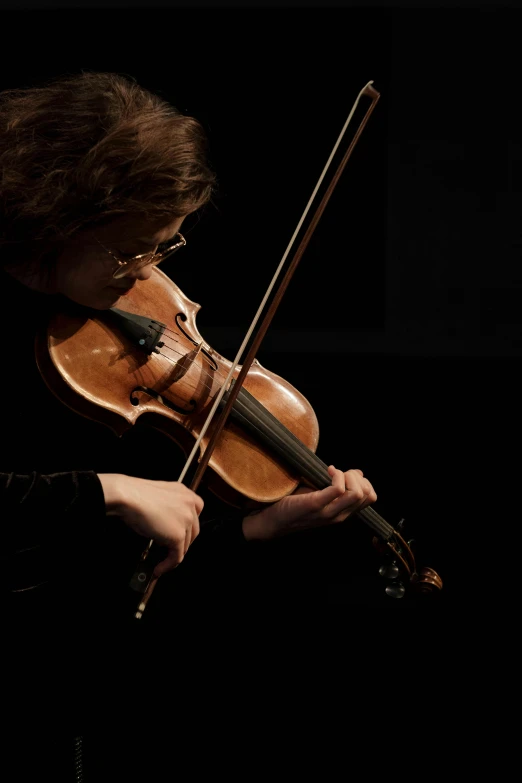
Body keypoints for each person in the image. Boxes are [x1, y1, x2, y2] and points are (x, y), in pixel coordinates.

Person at [0, 71, 378, 767]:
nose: (145, 269)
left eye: (163, 247)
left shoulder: (103, 344)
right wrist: (110, 490)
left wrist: (255, 527)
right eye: (129, 248)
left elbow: (90, 573)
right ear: (52, 215)